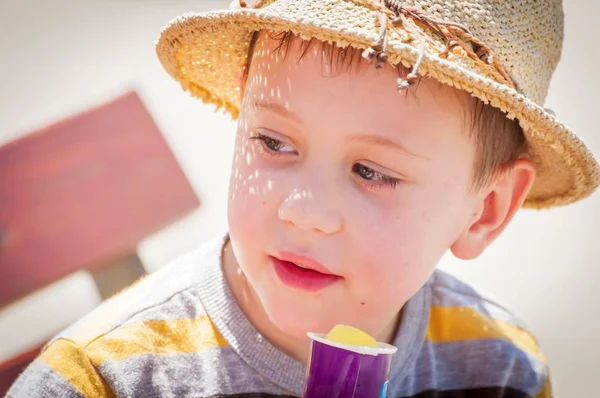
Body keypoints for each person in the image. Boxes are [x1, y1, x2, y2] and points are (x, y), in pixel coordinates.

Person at [8, 0, 599, 397]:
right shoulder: (100, 379)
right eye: (272, 140)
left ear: (487, 210)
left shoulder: (499, 368)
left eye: (371, 171)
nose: (303, 210)